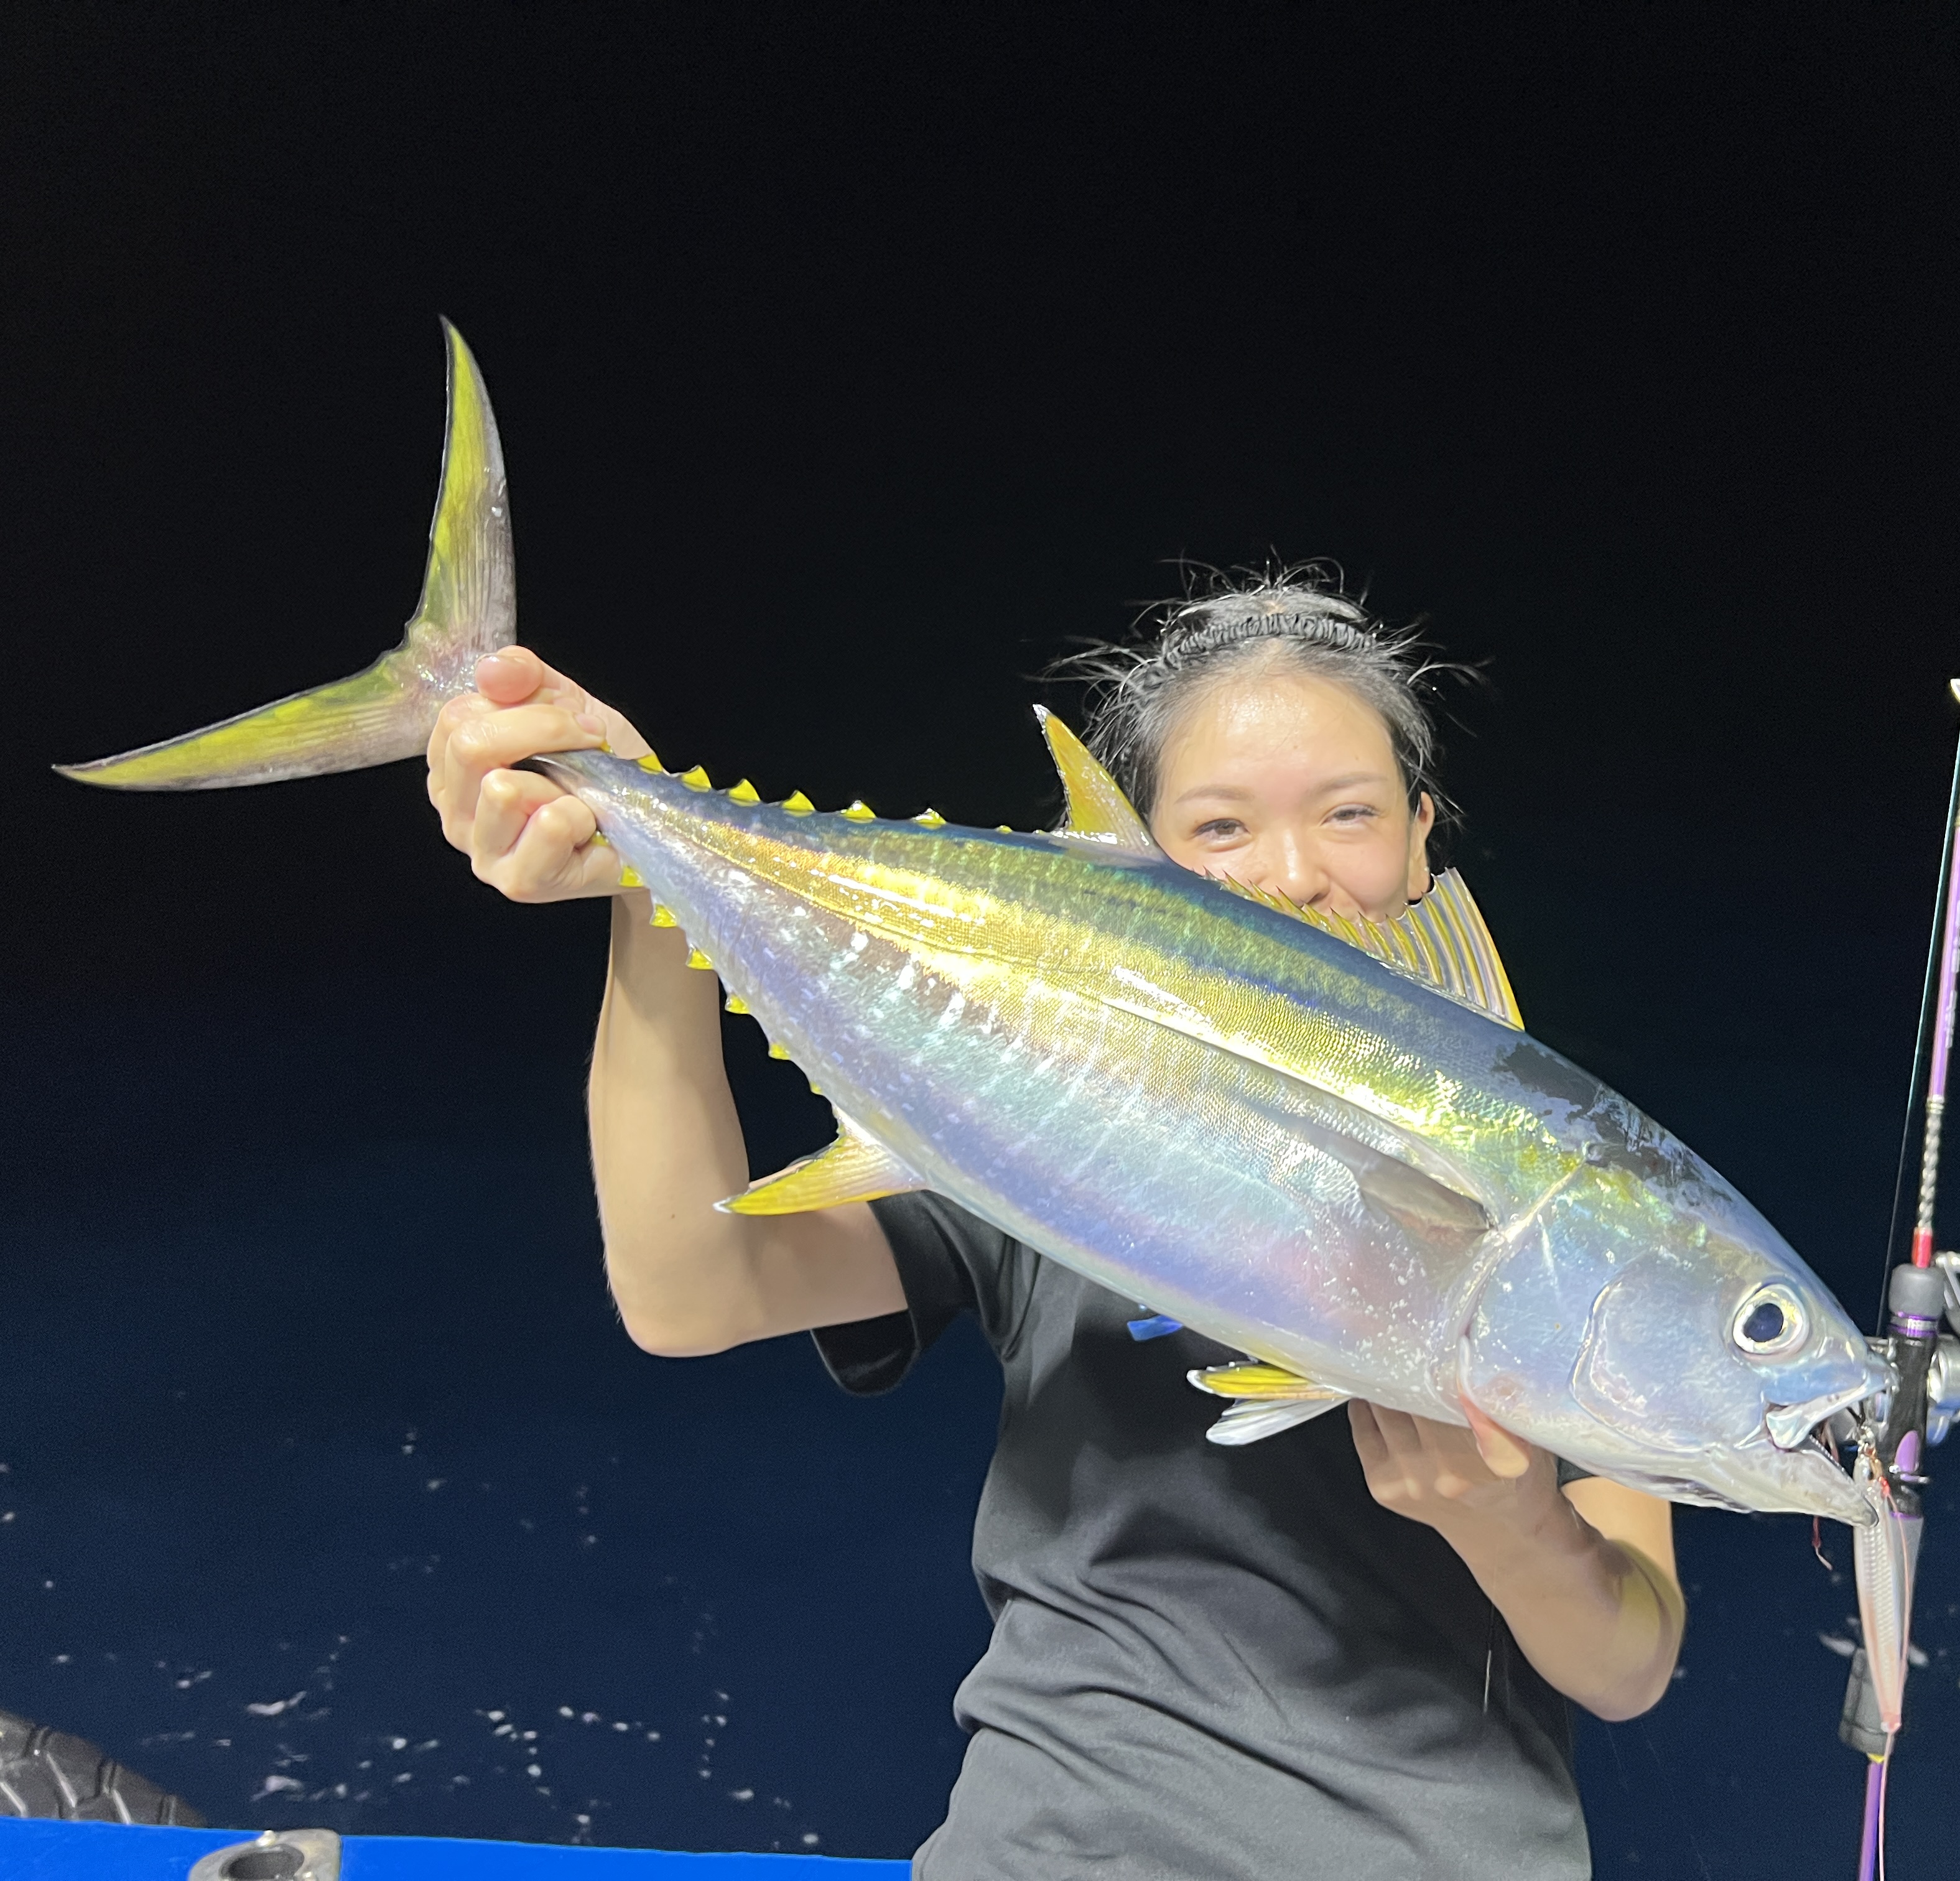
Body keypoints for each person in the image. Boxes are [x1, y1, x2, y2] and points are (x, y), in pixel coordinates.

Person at [425, 575, 1685, 1880]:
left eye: (1350, 813)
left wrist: (1509, 1524)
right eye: (1221, 825)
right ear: (1136, 859)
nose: (1296, 874)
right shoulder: (1048, 1114)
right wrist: (647, 881)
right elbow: (690, 1292)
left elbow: (1627, 1665)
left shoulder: (1570, 1193)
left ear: (1422, 837)